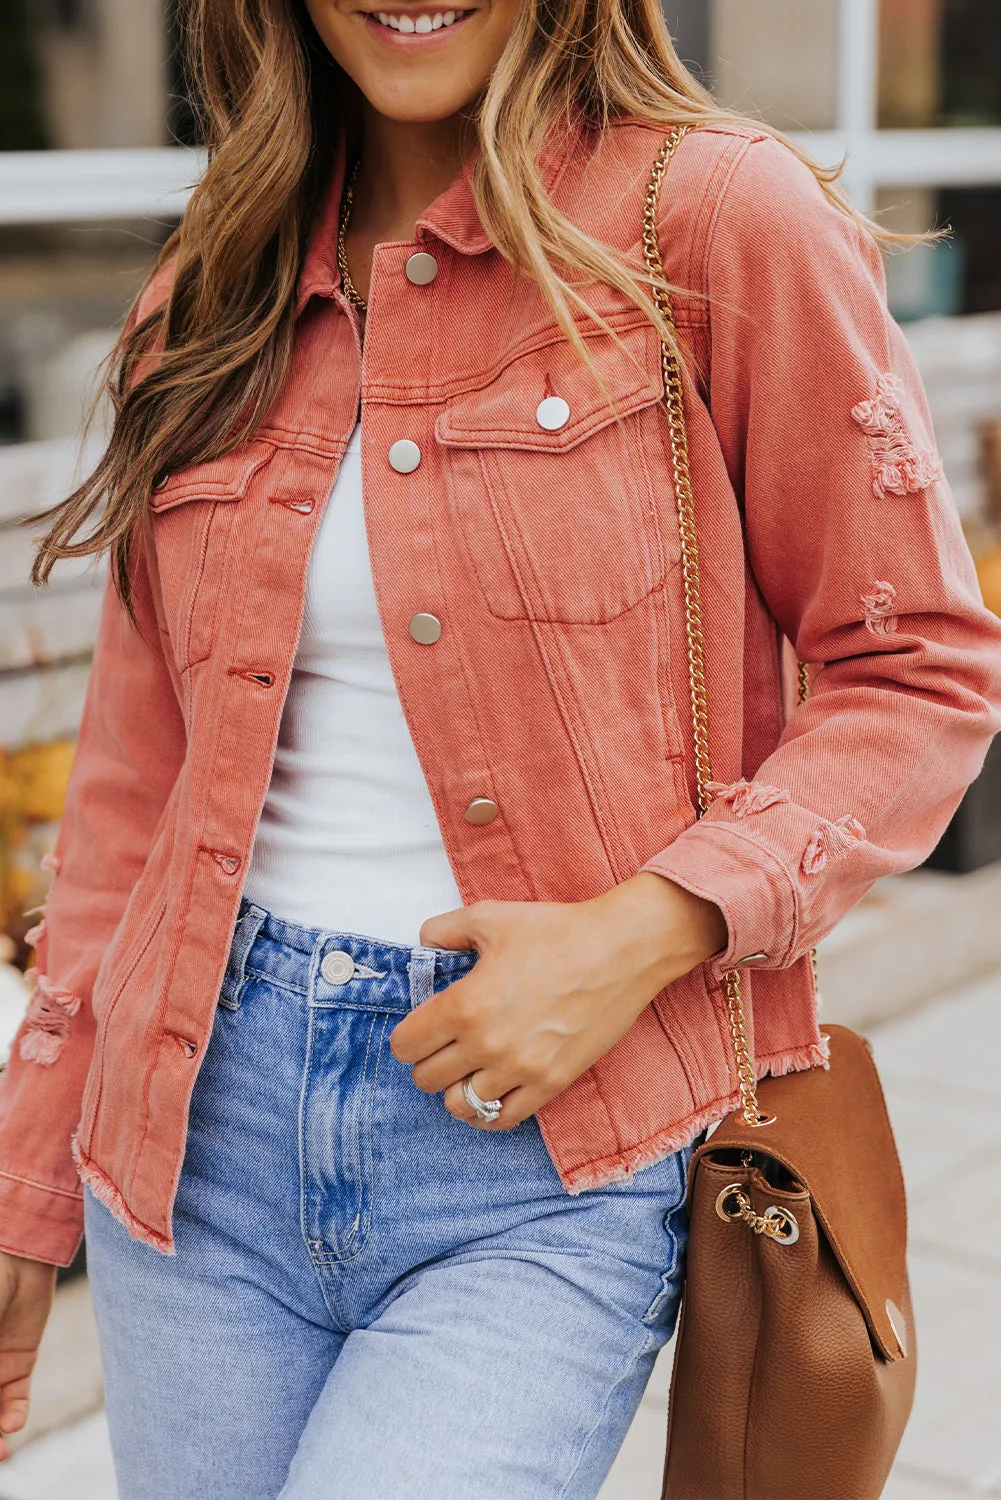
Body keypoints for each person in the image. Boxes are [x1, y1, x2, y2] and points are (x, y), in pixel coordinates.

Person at [2, 2, 1000, 1496]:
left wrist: (640, 934)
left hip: (538, 1162)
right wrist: (24, 1194)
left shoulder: (716, 219)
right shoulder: (211, 283)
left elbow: (917, 669)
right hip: (195, 1138)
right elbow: (135, 795)